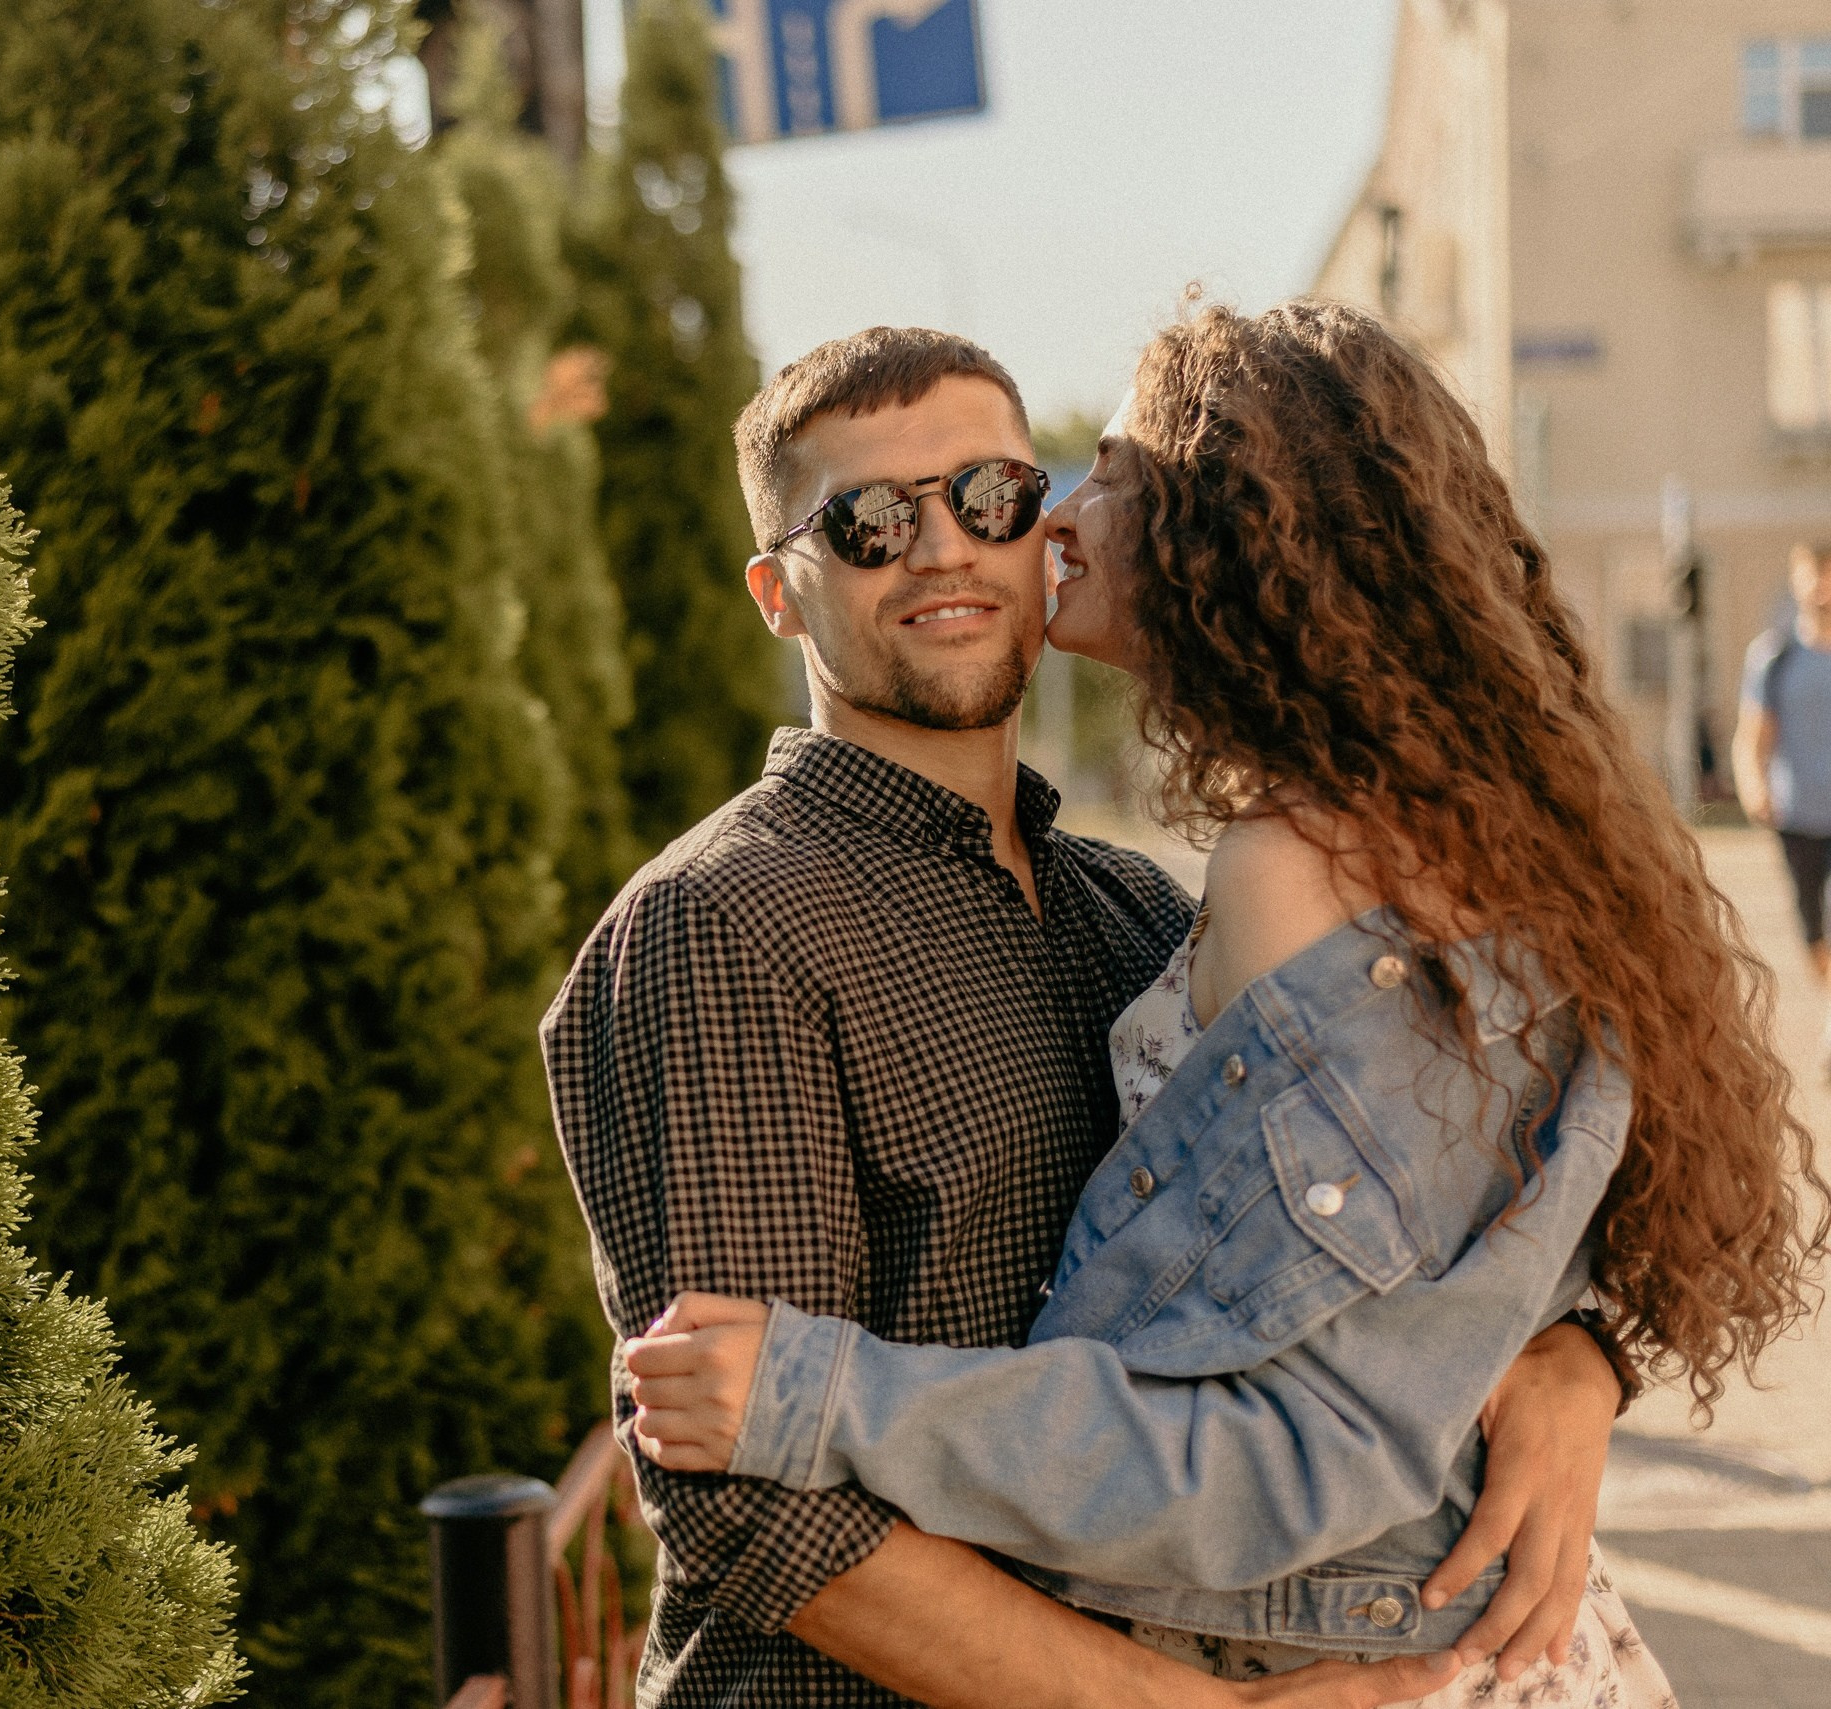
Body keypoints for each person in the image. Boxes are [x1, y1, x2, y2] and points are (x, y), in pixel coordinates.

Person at [618, 305, 1824, 1703]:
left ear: (1224, 536)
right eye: (870, 522)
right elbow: (738, 1497)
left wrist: (1573, 1360)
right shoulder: (724, 921)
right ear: (781, 588)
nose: (971, 540)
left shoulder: (1146, 904)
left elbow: (1360, 1378)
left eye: (1004, 493)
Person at [1733, 542, 1831, 1063]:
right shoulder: (1775, 657)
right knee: (1812, 930)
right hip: (1798, 816)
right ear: (1797, 582)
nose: (1822, 587)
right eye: (1813, 575)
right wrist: (1754, 786)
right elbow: (1754, 734)